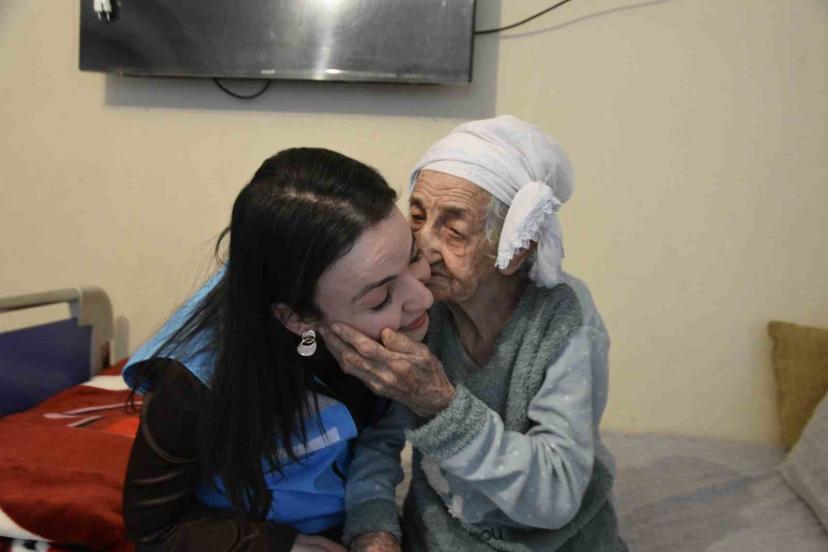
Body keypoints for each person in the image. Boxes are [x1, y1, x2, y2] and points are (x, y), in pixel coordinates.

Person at [322, 116, 626, 551]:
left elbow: (556, 495)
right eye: (417, 217)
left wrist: (441, 404)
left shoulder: (563, 318)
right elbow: (379, 441)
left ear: (516, 246)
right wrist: (374, 529)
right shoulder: (419, 303)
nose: (423, 246)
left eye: (454, 230)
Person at [120, 148, 434, 551]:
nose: (423, 297)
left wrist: (371, 524)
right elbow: (154, 529)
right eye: (380, 299)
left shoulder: (386, 303)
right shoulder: (193, 385)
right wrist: (271, 544)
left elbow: (378, 443)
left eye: (413, 256)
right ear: (299, 319)